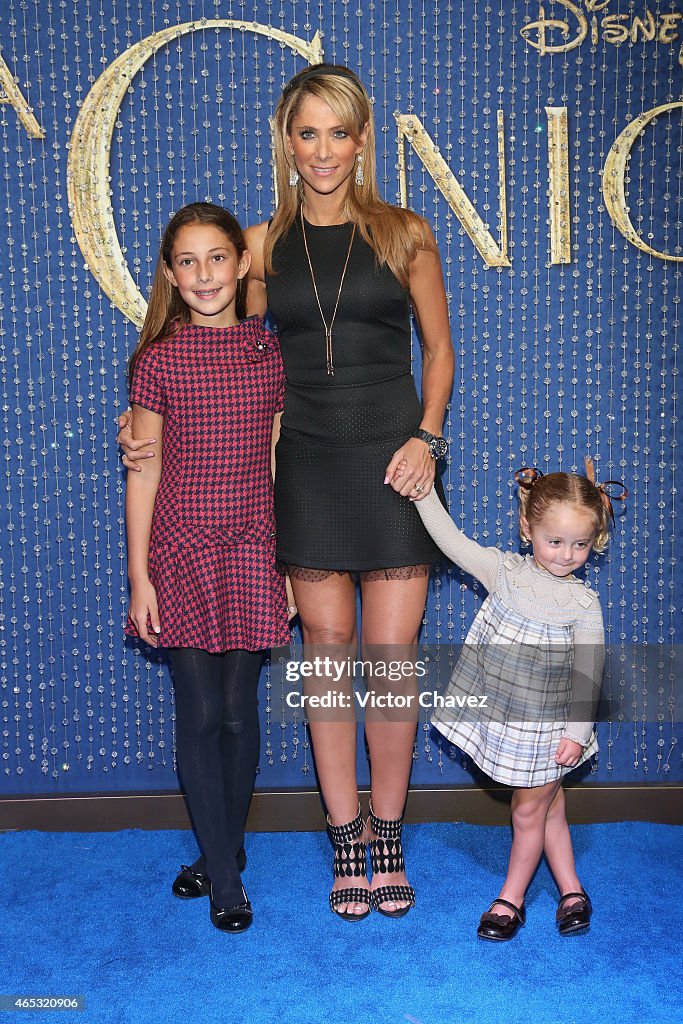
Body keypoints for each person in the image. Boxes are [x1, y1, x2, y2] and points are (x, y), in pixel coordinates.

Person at [120, 64, 454, 920]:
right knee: (326, 656)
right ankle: (344, 839)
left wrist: (427, 437)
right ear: (286, 141)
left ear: (362, 138)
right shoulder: (261, 245)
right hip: (303, 468)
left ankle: (387, 831)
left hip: (393, 466)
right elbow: (230, 346)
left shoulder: (407, 232)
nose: (323, 151)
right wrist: (144, 425)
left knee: (389, 666)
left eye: (338, 132)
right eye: (306, 133)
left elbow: (439, 353)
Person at [125, 202, 291, 934]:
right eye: (186, 262)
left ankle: (223, 848)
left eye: (216, 257)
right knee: (197, 713)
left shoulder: (269, 351)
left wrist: (287, 561)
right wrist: (139, 577)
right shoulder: (157, 359)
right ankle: (225, 876)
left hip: (254, 547)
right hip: (180, 550)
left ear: (242, 263)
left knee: (235, 711)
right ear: (169, 274)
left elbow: (281, 460)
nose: (203, 274)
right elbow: (145, 471)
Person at [413, 460, 626, 939]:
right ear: (527, 527)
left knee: (528, 810)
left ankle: (511, 898)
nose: (567, 554)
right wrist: (423, 493)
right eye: (556, 541)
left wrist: (577, 735)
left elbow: (588, 675)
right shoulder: (503, 572)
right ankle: (572, 889)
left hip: (553, 732)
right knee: (548, 808)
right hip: (509, 723)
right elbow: (452, 542)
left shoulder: (582, 603)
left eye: (581, 544)